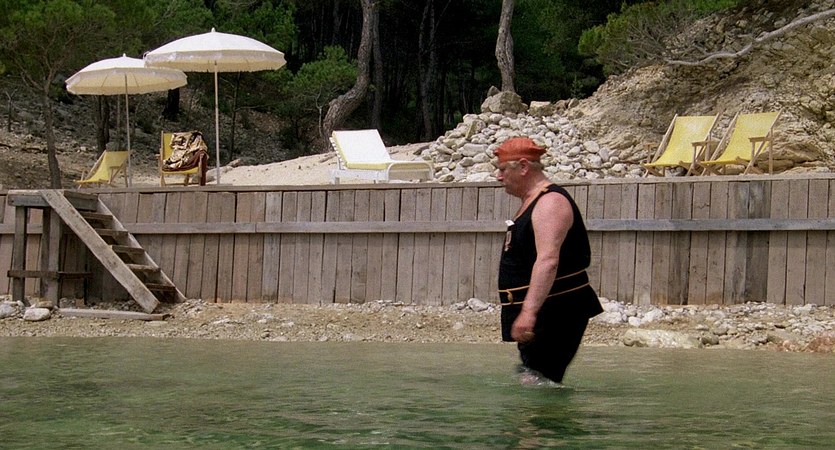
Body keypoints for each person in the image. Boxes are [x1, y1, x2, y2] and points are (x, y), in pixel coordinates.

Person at [495, 137, 603, 385]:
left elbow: (548, 261)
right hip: (546, 310)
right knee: (534, 380)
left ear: (524, 167)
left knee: (539, 384)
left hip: (556, 311)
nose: (498, 177)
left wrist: (528, 312)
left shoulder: (550, 202)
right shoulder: (532, 202)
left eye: (502, 169)